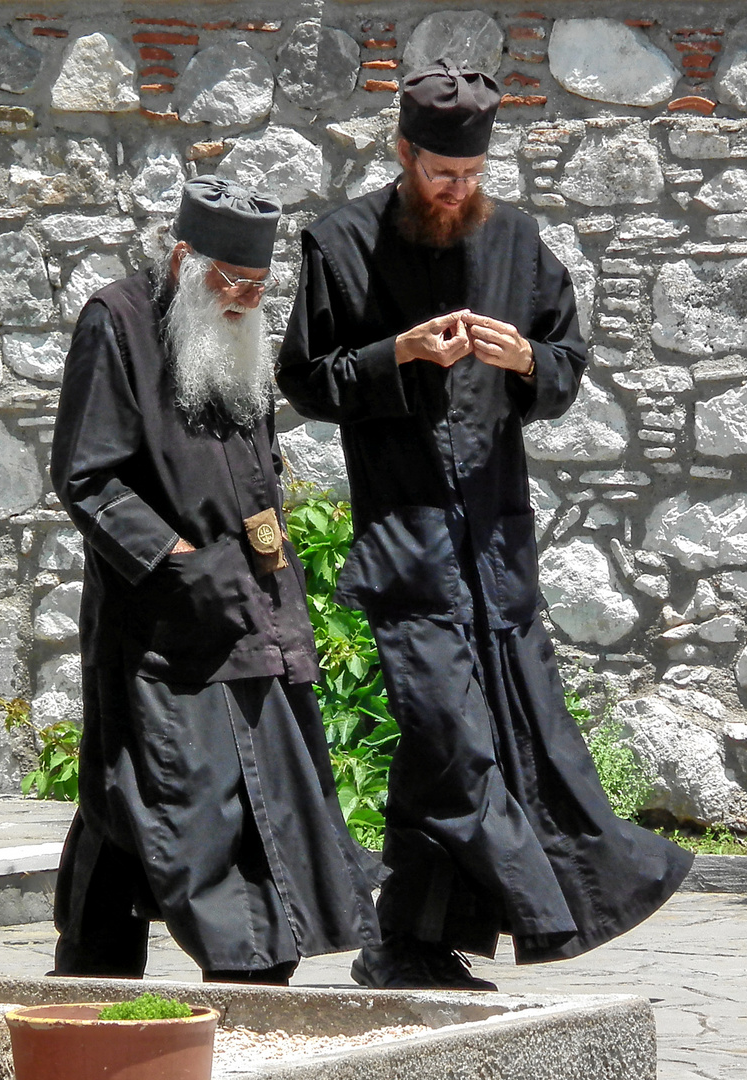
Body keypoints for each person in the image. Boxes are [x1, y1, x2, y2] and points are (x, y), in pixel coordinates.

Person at [276, 61, 692, 991]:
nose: (457, 192)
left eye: (470, 178)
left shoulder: (517, 240)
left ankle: (410, 944)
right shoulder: (340, 244)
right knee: (456, 741)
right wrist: (397, 353)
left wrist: (527, 360)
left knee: (476, 740)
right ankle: (560, 901)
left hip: (497, 549)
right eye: (439, 176)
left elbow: (566, 364)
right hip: (408, 549)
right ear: (402, 154)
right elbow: (304, 381)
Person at [49, 177, 379, 984]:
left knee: (160, 792)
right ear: (184, 257)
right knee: (181, 793)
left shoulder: (234, 331)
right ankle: (247, 964)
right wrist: (174, 560)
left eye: (258, 287)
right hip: (162, 617)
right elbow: (87, 476)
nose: (242, 299)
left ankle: (103, 965)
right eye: (230, 282)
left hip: (253, 604)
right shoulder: (117, 320)